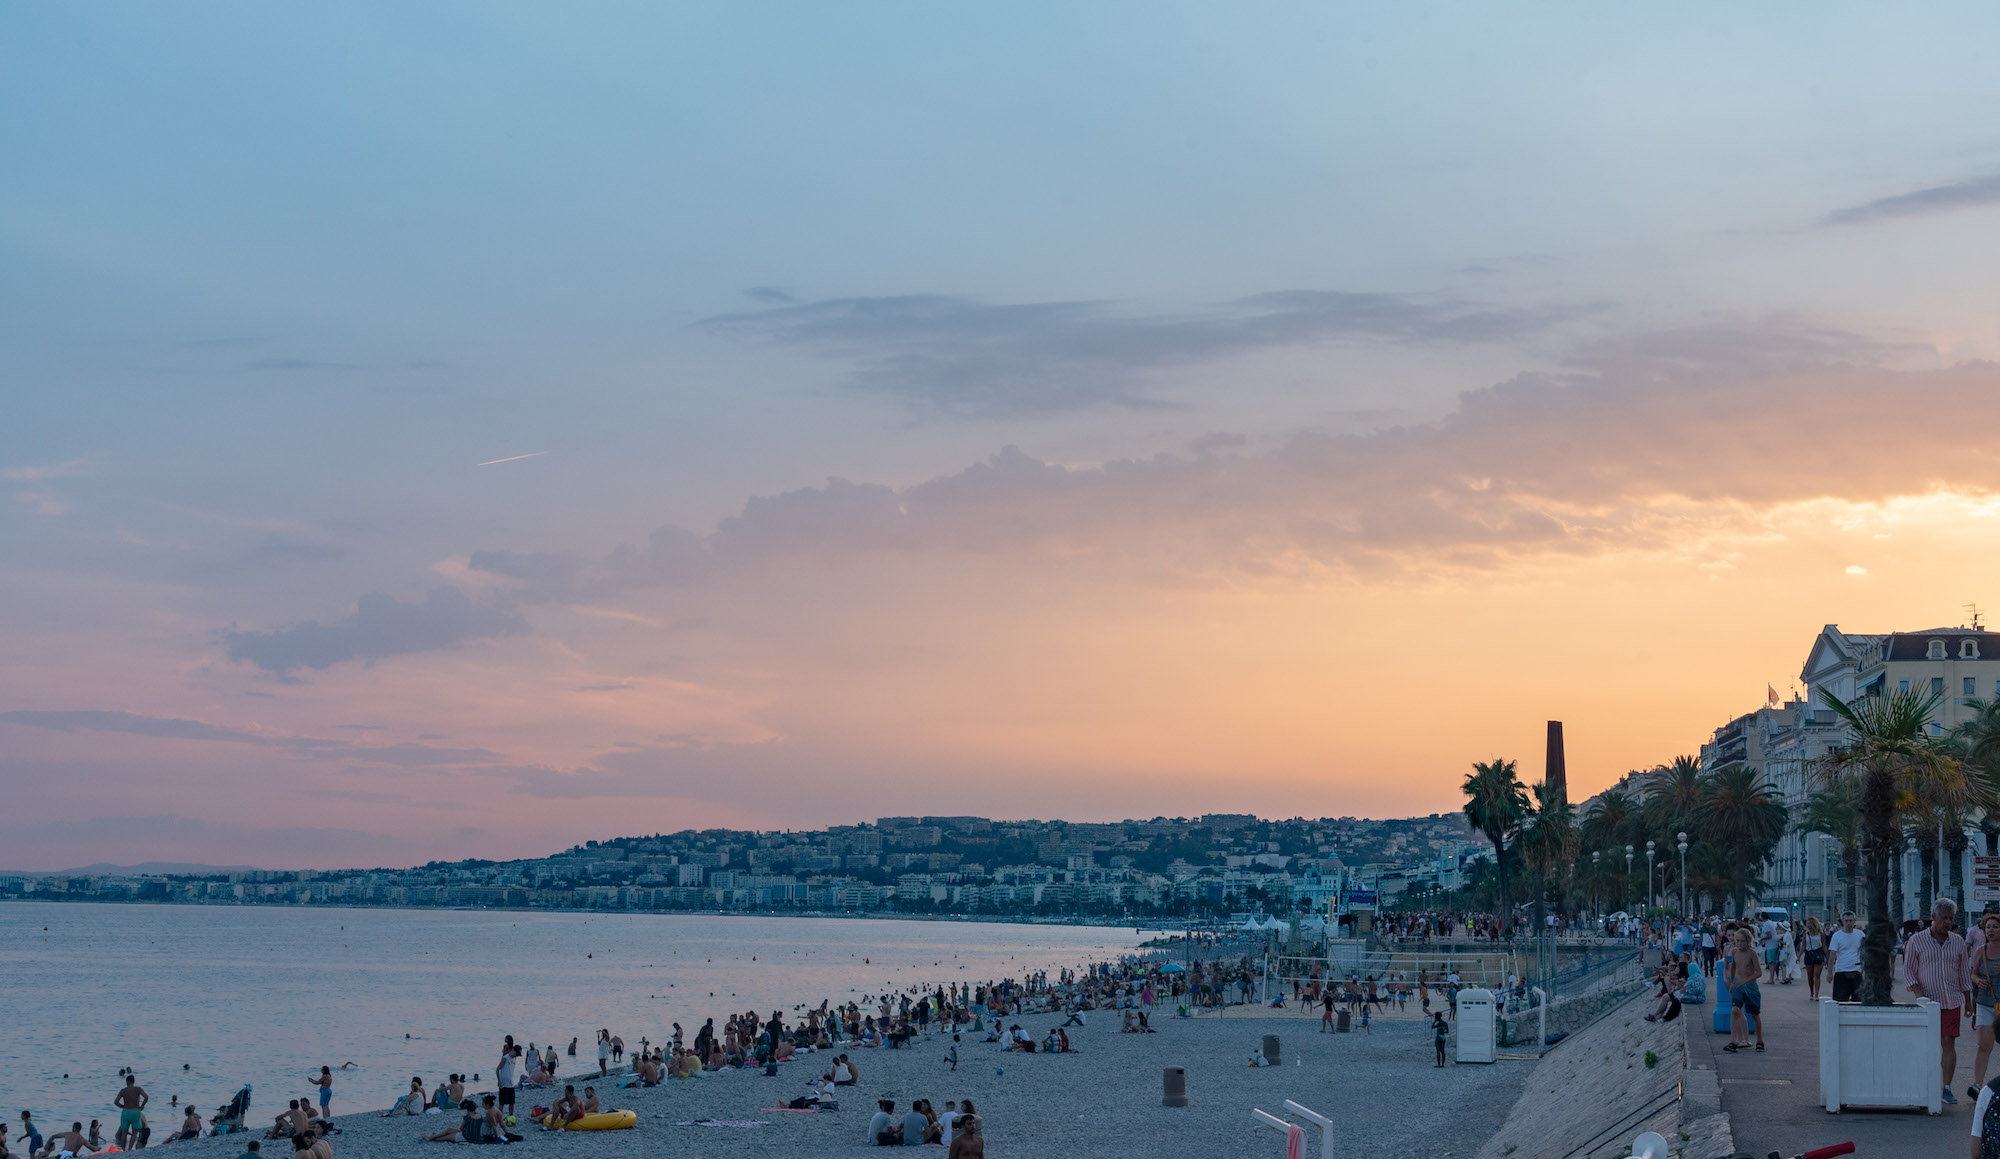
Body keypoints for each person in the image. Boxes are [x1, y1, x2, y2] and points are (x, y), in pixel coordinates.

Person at [1909, 897, 1976, 1105]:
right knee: (1926, 1044)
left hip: (1952, 1001)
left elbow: (1963, 973)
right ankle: (1923, 1086)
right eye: (1944, 918)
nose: (1948, 922)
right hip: (1927, 1002)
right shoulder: (1917, 941)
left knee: (1948, 1041)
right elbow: (1910, 972)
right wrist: (1919, 996)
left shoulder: (1957, 941)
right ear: (1933, 917)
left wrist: (1968, 1000)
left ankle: (1946, 1088)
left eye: (1951, 918)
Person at [1723, 928, 1764, 1053]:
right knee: (1735, 1011)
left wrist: (1746, 980)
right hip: (1738, 986)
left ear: (1748, 941)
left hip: (1750, 987)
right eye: (1738, 941)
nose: (1740, 944)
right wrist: (1731, 982)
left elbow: (1758, 972)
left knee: (1754, 1014)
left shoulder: (1752, 953)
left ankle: (1759, 1040)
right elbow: (1732, 967)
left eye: (1742, 941)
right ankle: (1733, 1041)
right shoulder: (1734, 952)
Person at [1828, 911, 1865, 1002]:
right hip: (1841, 972)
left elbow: (1865, 952)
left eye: (1851, 921)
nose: (1849, 923)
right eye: (1846, 921)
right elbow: (1832, 955)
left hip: (1856, 972)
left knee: (1858, 1001)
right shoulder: (1837, 936)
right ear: (1842, 922)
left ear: (1854, 921)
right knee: (1840, 1001)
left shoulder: (1860, 934)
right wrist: (1830, 972)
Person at [115, 1072, 150, 1149]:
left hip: (125, 1112)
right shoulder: (138, 1089)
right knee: (134, 1133)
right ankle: (130, 1149)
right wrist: (142, 1105)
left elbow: (116, 1102)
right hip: (135, 1111)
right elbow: (146, 1097)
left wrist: (122, 1106)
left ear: (127, 1081)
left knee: (124, 1132)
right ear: (133, 1081)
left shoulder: (123, 1090)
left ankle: (123, 1150)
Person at [1801, 917, 1827, 1000]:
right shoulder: (1806, 934)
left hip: (1818, 953)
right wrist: (1798, 956)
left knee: (1817, 974)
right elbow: (1803, 946)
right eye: (1807, 923)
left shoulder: (1821, 934)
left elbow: (1824, 946)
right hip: (1809, 953)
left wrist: (1828, 957)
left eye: (1809, 923)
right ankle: (1811, 992)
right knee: (1810, 976)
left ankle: (1816, 994)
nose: (1808, 925)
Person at [494, 1047, 518, 1121]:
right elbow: (497, 1069)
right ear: (513, 1050)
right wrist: (499, 1081)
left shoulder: (514, 1058)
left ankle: (511, 1117)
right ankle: (499, 1118)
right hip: (504, 1084)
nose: (516, 1055)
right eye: (516, 1053)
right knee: (502, 1102)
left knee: (512, 1102)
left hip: (511, 1083)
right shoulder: (505, 1058)